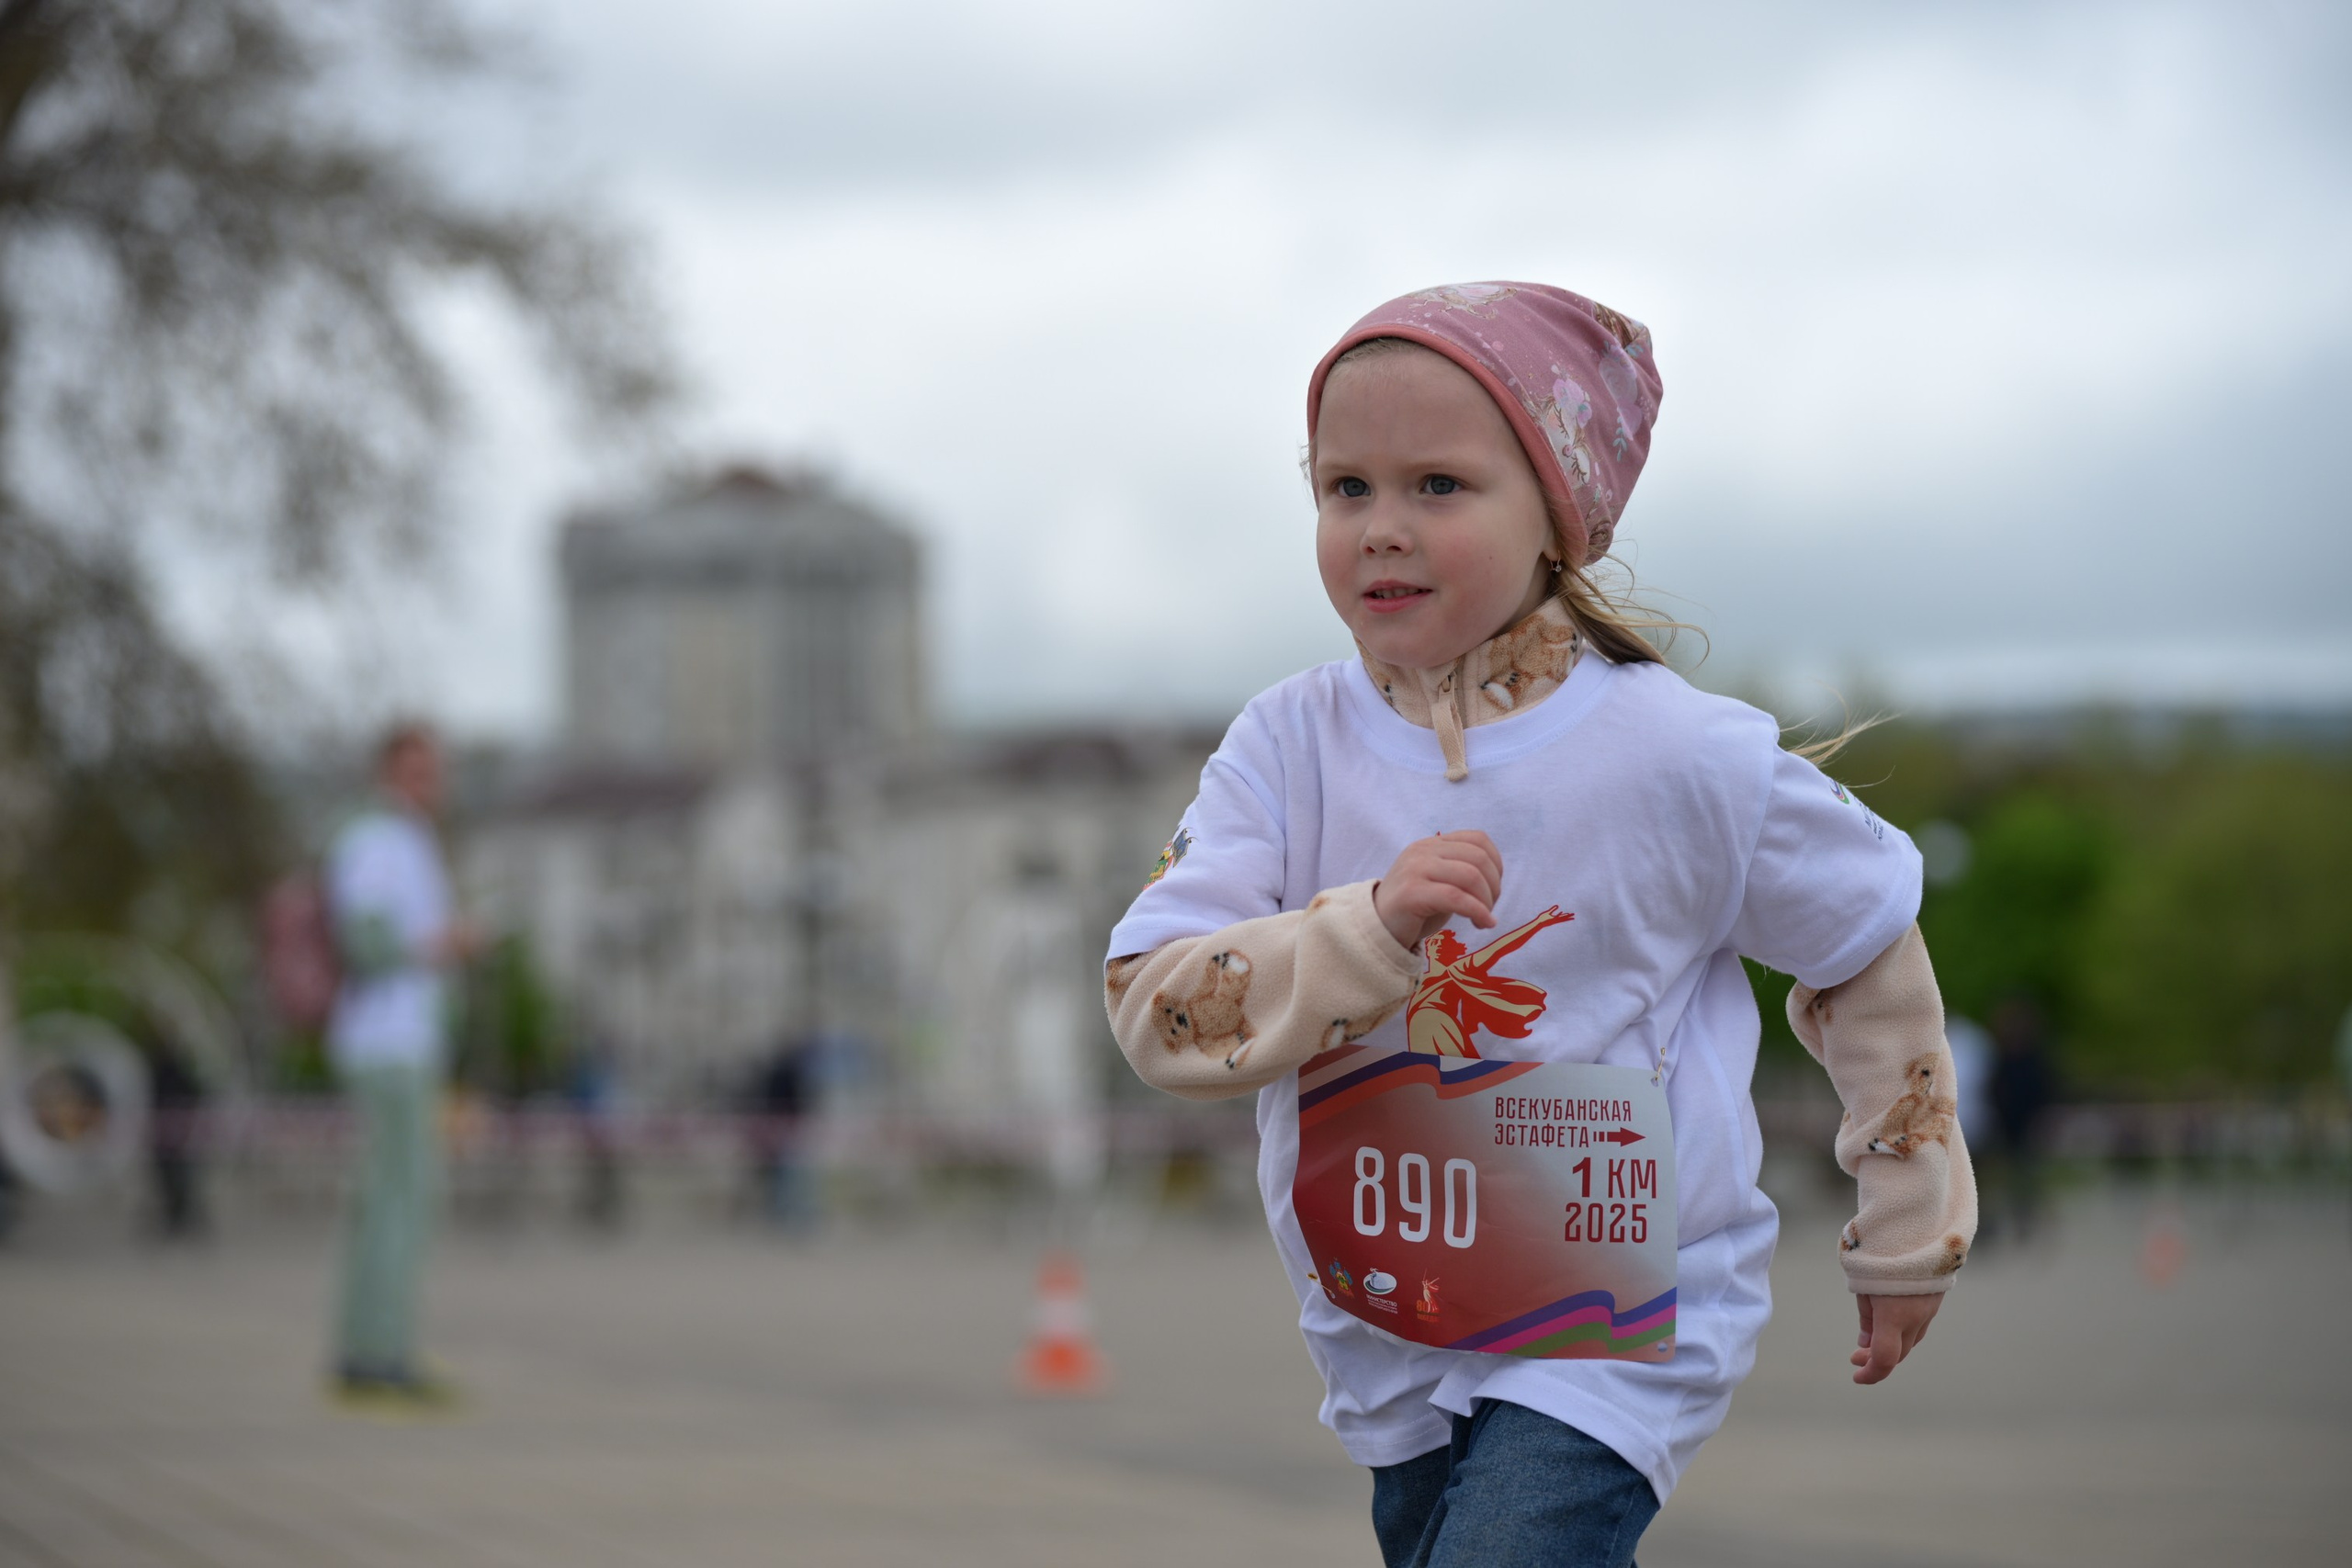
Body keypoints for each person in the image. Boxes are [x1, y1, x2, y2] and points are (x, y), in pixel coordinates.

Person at [1103, 284, 1975, 1568]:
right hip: (1390, 1313)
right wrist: (1364, 930)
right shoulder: (1286, 747)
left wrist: (1911, 1224)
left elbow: (1867, 943)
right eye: (1346, 488)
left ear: (1556, 516)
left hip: (1616, 1317)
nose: (1382, 529)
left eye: (1438, 486)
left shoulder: (1681, 752)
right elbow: (1154, 1002)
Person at [324, 722, 477, 1404]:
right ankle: (381, 1351)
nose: (430, 784)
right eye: (417, 771)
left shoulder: (407, 841)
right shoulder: (378, 841)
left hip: (403, 1042)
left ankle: (365, 1348)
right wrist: (444, 944)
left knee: (384, 1200)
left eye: (434, 770)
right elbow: (367, 941)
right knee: (400, 1201)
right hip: (391, 1045)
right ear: (388, 772)